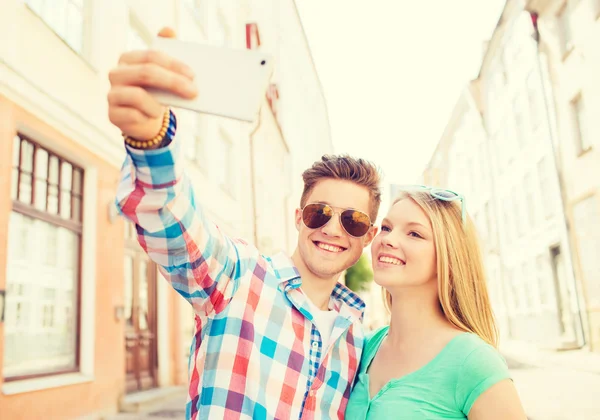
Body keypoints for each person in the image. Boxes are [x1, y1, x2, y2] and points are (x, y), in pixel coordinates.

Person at [109, 28, 382, 419]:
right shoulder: (240, 278)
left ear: (369, 236)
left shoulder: (357, 338)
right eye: (319, 212)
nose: (333, 230)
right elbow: (176, 223)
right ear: (298, 219)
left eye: (353, 221)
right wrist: (152, 140)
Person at [346, 186, 527, 419]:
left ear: (448, 258)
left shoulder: (473, 362)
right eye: (387, 227)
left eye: (414, 234)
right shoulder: (364, 347)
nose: (388, 239)